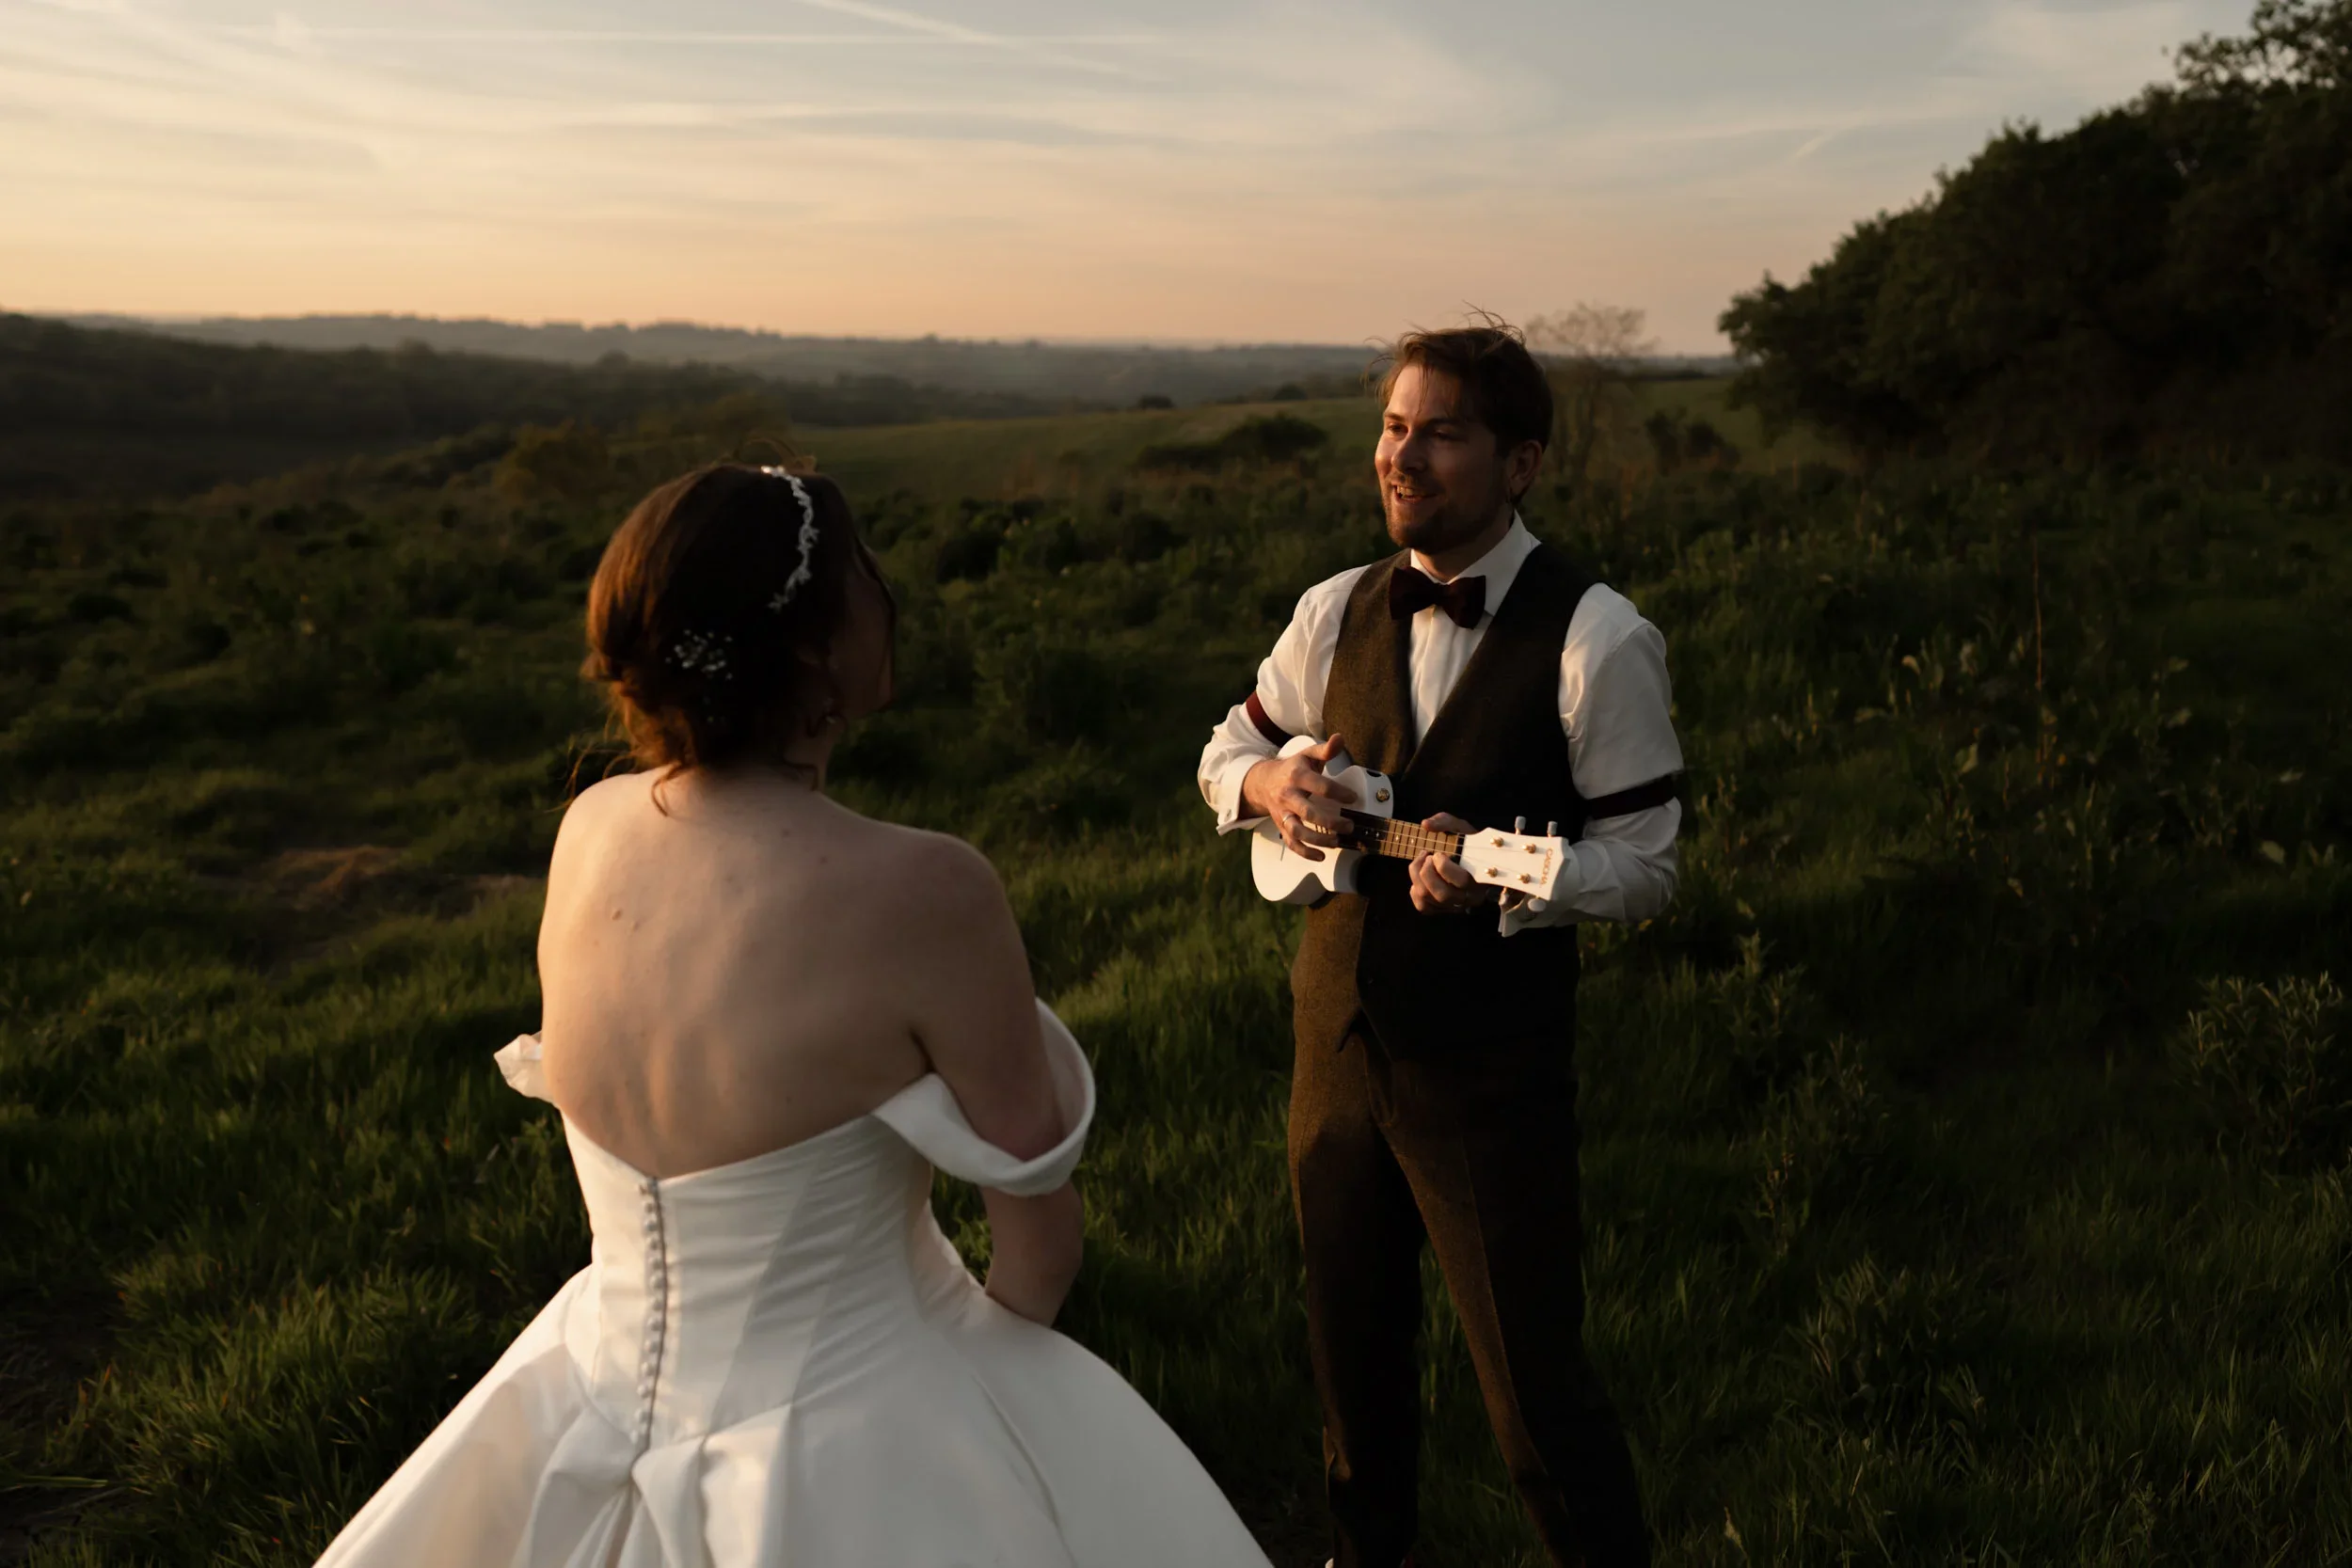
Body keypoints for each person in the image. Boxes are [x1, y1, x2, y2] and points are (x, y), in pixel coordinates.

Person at [317, 464, 1273, 1568]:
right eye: (863, 568)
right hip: (851, 1415)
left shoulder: (589, 827)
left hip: (594, 1379)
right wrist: (994, 1428)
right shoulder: (926, 889)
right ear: (818, 642)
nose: (883, 591)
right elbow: (1039, 1247)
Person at [1197, 322, 1684, 1568]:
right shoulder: (1335, 604)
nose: (1402, 457)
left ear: (1520, 462)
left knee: (1535, 1398)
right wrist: (1273, 795)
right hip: (1335, 1046)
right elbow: (1226, 751)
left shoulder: (1600, 639)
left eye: (1441, 431)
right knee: (1351, 1375)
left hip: (1490, 1072)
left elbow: (1646, 865)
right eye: (1394, 426)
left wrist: (1516, 883)